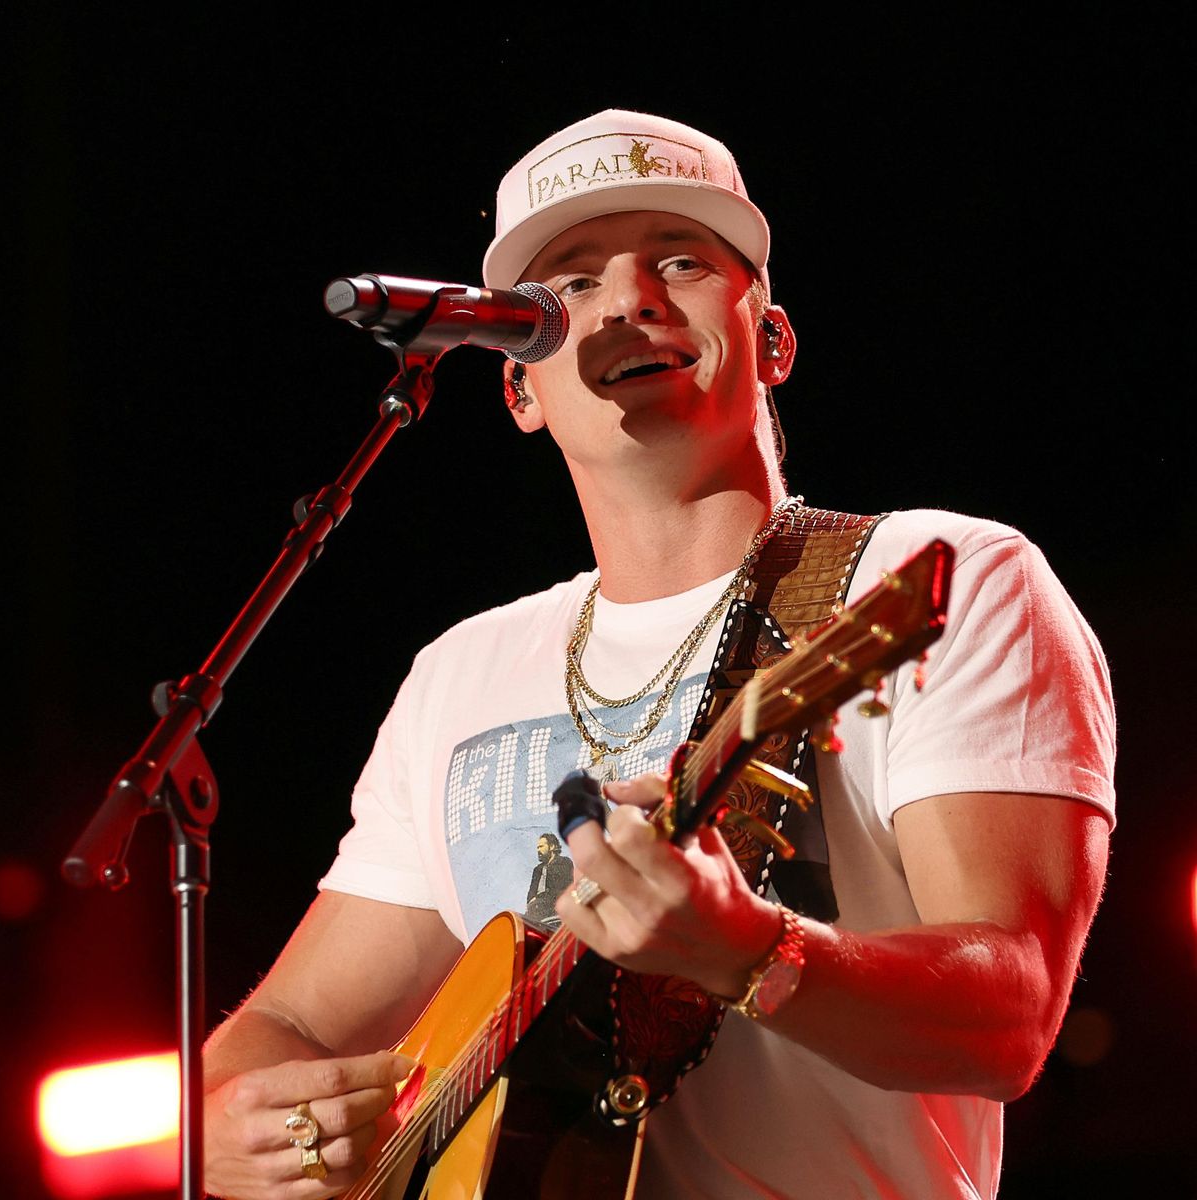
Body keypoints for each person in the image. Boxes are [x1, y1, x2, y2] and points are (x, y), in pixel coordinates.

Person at [202, 109, 1115, 1199]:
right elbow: (284, 1030)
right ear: (518, 387)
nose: (629, 299)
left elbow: (1010, 1015)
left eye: (680, 262)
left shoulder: (942, 576)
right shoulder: (460, 672)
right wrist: (228, 1125)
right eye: (571, 285)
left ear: (772, 339)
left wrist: (752, 951)